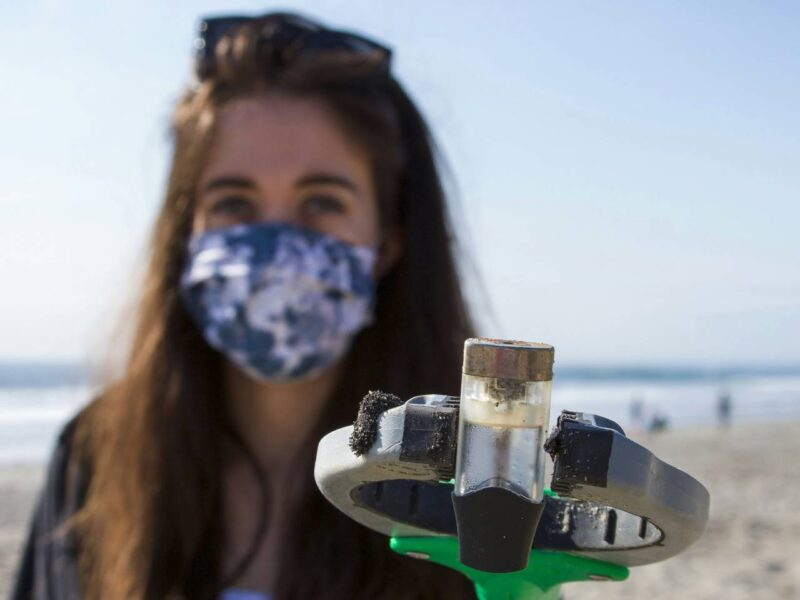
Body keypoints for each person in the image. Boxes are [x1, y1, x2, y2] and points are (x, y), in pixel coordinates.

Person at [13, 12, 476, 600]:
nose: (275, 247)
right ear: (186, 231)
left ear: (387, 242)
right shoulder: (92, 458)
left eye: (322, 203)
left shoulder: (468, 486)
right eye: (233, 202)